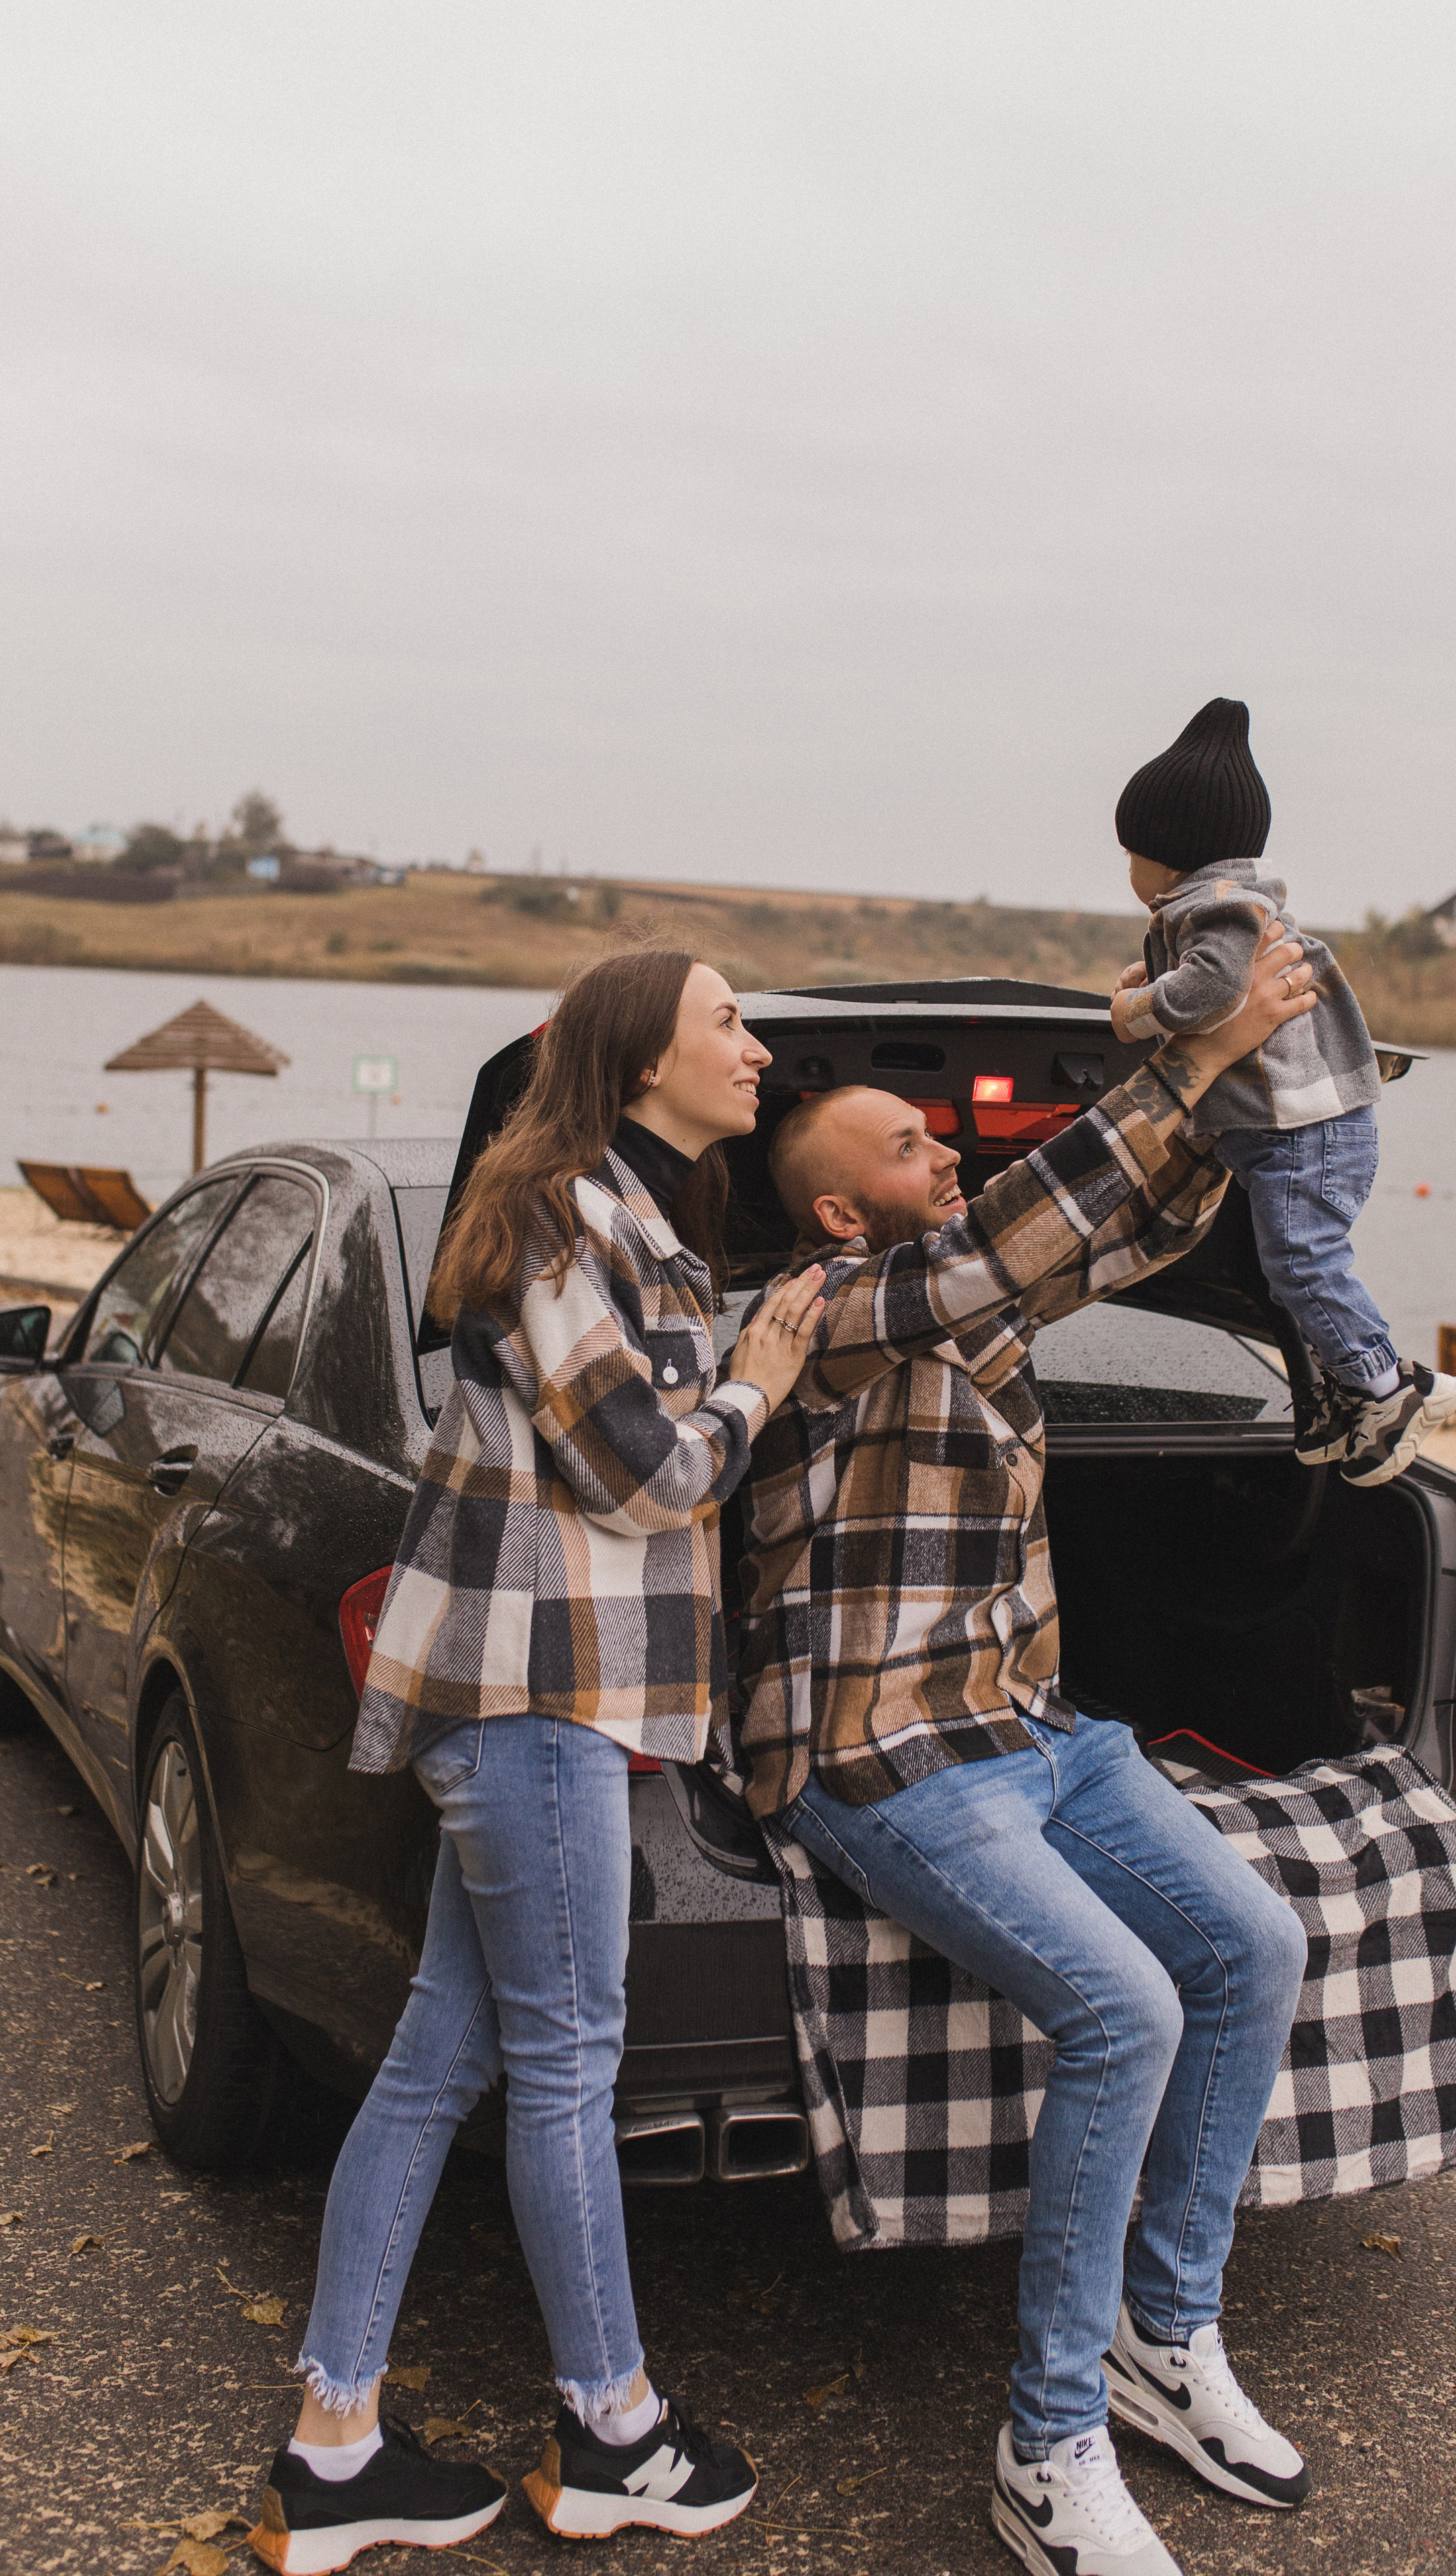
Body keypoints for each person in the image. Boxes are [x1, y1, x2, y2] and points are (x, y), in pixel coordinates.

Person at [732, 924, 1320, 2576]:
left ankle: (1160, 2337)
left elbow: (1125, 1222)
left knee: (1250, 1946)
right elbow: (1007, 1237)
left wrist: (1221, 1079)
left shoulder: (971, 1302)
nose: (946, 1147)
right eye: (907, 1142)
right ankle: (1047, 2440)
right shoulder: (827, 1301)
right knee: (1121, 2004)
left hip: (1036, 1726)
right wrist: (1182, 1064)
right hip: (884, 1749)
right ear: (839, 1204)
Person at [248, 951, 826, 2574]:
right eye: (730, 1021)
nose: (758, 1048)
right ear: (640, 1058)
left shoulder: (625, 1217)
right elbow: (640, 1473)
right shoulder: (571, 1216)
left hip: (544, 1696)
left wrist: (740, 1357)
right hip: (536, 1699)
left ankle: (336, 2444)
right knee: (569, 2054)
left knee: (444, 2058)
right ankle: (614, 2425)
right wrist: (759, 1386)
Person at [1110, 696, 1456, 1487]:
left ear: (1166, 854)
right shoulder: (1225, 909)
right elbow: (1207, 981)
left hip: (1308, 1134)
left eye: (1129, 853)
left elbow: (1207, 995)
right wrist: (1160, 974)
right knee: (1285, 1269)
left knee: (1303, 1264)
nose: (1127, 870)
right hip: (1298, 1134)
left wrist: (1135, 1010)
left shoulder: (1221, 907)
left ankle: (1390, 1388)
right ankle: (1341, 1403)